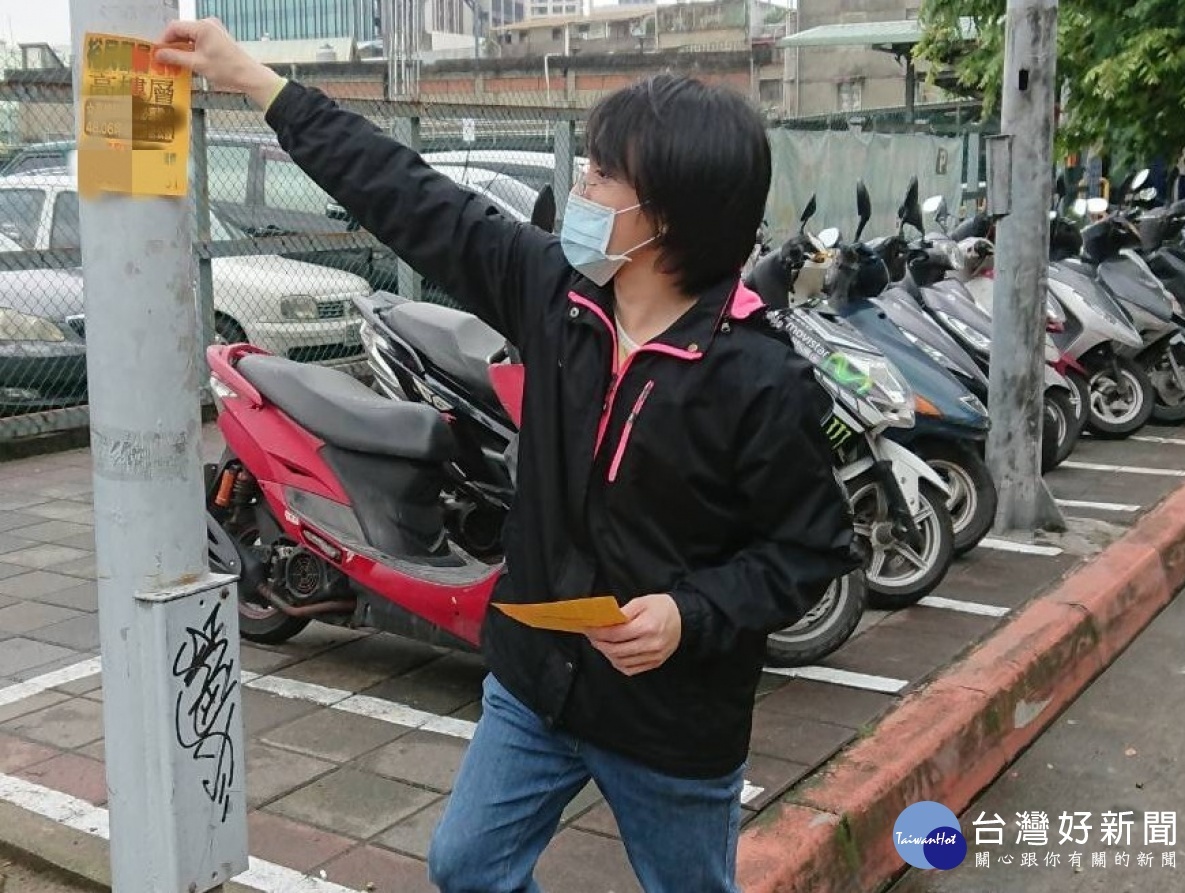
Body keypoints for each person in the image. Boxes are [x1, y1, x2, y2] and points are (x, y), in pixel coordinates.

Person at [157, 19, 859, 893]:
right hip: (536, 682)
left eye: (604, 174)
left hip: (672, 719)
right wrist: (256, 81)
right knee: (467, 866)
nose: (582, 187)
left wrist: (691, 613)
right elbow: (407, 195)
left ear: (667, 215)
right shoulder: (561, 296)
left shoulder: (759, 379)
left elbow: (812, 550)